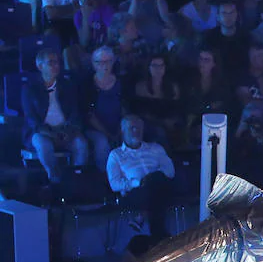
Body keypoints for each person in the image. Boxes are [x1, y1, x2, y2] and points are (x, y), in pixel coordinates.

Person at [24, 48, 106, 182]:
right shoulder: (30, 89)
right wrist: (51, 134)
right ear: (40, 66)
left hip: (65, 129)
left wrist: (69, 131)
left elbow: (74, 113)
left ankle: (75, 180)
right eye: (51, 63)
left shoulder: (67, 85)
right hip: (42, 132)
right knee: (43, 144)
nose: (56, 66)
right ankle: (54, 179)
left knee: (81, 144)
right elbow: (31, 119)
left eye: (57, 62)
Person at [106, 115, 175, 238]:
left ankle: (142, 219)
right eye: (131, 128)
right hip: (135, 192)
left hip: (160, 187)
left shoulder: (155, 148)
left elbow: (170, 170)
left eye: (138, 128)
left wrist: (150, 179)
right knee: (155, 190)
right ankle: (159, 236)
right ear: (122, 131)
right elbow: (114, 184)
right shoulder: (116, 155)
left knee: (156, 183)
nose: (135, 131)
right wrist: (138, 182)